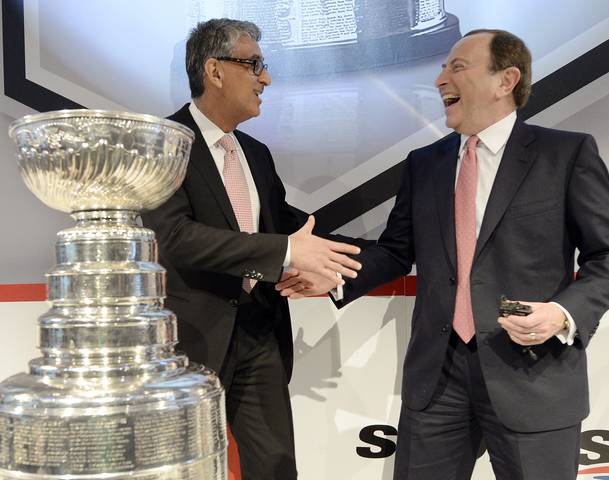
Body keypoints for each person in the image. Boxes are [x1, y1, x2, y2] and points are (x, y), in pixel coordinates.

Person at [277, 29, 609, 479]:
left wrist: (562, 315)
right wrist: (335, 275)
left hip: (534, 375)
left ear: (505, 80)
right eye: (441, 68)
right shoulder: (424, 162)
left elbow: (605, 256)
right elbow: (396, 252)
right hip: (438, 377)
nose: (440, 80)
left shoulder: (565, 154)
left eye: (457, 67)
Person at [142, 18, 363, 480]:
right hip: (190, 342)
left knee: (277, 469)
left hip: (261, 332)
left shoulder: (256, 153)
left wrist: (360, 256)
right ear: (215, 71)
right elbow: (174, 238)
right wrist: (285, 252)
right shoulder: (165, 143)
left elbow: (286, 225)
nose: (266, 79)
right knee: (185, 471)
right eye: (255, 64)